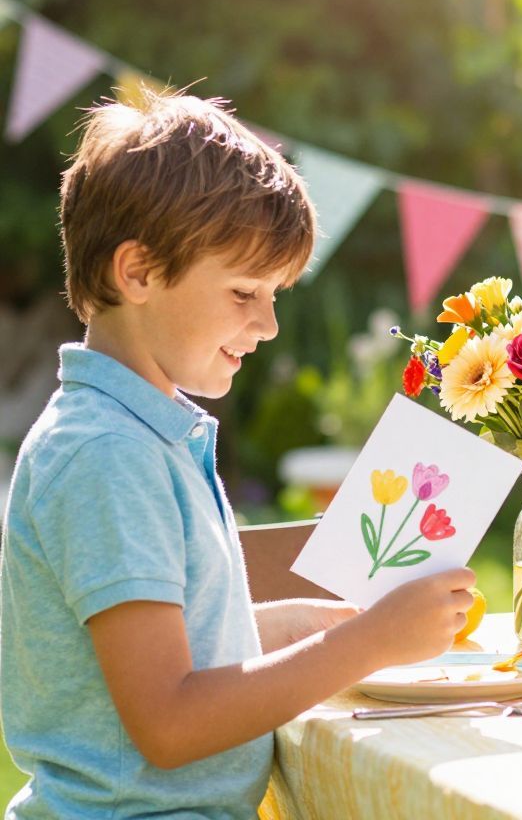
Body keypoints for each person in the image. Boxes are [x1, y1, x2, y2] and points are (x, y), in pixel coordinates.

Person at [1, 90, 476, 819]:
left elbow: (175, 645)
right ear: (138, 273)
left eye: (276, 293)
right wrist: (371, 643)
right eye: (245, 290)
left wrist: (305, 628)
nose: (270, 323)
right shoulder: (106, 455)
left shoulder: (143, 435)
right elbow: (169, 721)